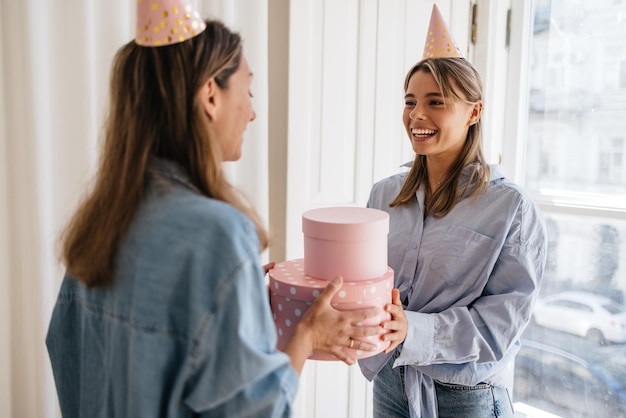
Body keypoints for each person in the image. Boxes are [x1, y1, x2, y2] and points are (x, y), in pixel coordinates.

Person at [45, 3, 383, 417]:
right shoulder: (218, 233)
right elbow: (256, 410)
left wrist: (230, 301)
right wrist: (307, 336)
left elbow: (68, 357)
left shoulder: (101, 221)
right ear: (210, 95)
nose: (253, 111)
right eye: (248, 90)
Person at [358, 5, 548, 418]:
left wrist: (413, 329)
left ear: (474, 111)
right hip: (391, 381)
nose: (417, 115)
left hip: (466, 398)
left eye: (436, 102)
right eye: (410, 101)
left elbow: (502, 325)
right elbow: (364, 283)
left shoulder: (510, 208)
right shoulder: (384, 196)